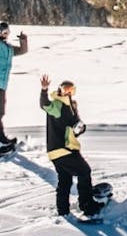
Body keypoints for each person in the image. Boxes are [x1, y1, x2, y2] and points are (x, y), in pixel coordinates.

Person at [40, 74, 103, 219]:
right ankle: (87, 205)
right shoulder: (57, 104)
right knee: (84, 171)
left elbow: (76, 126)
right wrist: (44, 90)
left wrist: (80, 129)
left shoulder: (72, 106)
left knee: (65, 179)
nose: (68, 92)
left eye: (71, 89)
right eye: (65, 88)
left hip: (61, 150)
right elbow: (45, 105)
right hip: (62, 149)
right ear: (60, 90)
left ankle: (63, 211)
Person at [0, 8, 30, 155]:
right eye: (2, 32)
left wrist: (23, 40)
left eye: (7, 32)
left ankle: (0, 137)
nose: (5, 35)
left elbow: (23, 51)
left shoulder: (8, 48)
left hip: (1, 84)